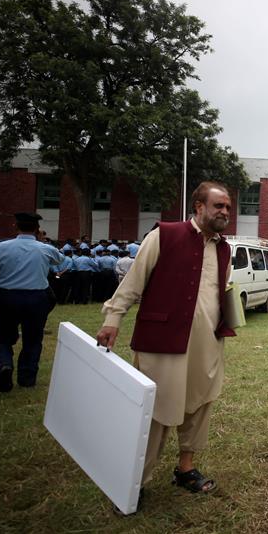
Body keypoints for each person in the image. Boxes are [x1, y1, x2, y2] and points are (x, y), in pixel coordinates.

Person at [96, 181, 236, 499]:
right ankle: (136, 483)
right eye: (218, 206)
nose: (225, 212)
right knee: (156, 410)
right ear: (199, 207)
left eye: (228, 207)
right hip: (163, 340)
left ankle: (185, 469)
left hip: (207, 344)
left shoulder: (223, 248)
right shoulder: (164, 235)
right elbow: (134, 281)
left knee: (199, 405)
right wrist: (113, 318)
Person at [0, 212, 64, 391]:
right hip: (36, 299)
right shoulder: (45, 249)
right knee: (33, 339)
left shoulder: (1, 248)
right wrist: (41, 241)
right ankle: (27, 379)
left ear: (15, 226)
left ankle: (4, 365)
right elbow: (61, 260)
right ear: (38, 230)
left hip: (5, 297)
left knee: (1, 337)